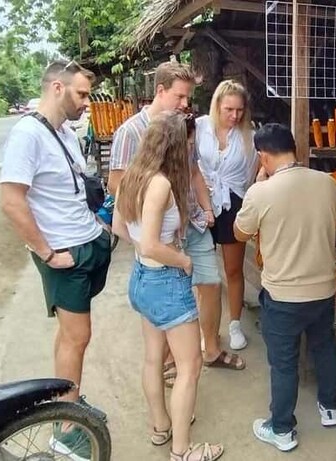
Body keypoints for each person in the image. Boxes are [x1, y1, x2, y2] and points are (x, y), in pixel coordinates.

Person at [0, 59, 112, 457]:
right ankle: (65, 428)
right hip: (64, 253)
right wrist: (47, 252)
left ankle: (69, 401)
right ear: (57, 89)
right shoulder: (27, 135)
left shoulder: (62, 131)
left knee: (70, 336)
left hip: (84, 243)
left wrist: (99, 229)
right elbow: (12, 201)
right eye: (82, 94)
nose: (87, 102)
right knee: (77, 337)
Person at [110, 61, 243, 382]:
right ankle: (172, 365)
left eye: (189, 98)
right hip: (163, 233)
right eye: (181, 97)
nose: (187, 104)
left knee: (210, 283)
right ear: (160, 91)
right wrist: (152, 224)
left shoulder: (185, 126)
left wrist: (207, 208)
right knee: (170, 302)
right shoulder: (131, 131)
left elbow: (194, 171)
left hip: (192, 221)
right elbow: (118, 184)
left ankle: (209, 349)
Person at [111, 111, 224, 461]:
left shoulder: (132, 176)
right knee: (190, 367)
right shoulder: (159, 184)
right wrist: (183, 261)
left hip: (142, 279)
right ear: (176, 144)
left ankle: (161, 427)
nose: (192, 148)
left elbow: (119, 229)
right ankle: (183, 450)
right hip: (165, 280)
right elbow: (150, 243)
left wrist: (156, 250)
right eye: (188, 143)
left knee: (152, 359)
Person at [233, 124, 336, 452]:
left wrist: (256, 187)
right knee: (324, 347)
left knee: (283, 362)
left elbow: (240, 234)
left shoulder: (261, 192)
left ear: (263, 156)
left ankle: (282, 428)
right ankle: (330, 408)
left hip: (283, 296)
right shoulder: (327, 182)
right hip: (324, 289)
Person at [195, 79, 258, 356]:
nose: (234, 116)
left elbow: (253, 174)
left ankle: (234, 324)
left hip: (233, 202)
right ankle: (207, 329)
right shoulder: (199, 128)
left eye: (240, 110)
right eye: (229, 109)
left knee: (233, 269)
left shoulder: (249, 136)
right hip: (202, 201)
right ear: (217, 105)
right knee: (205, 272)